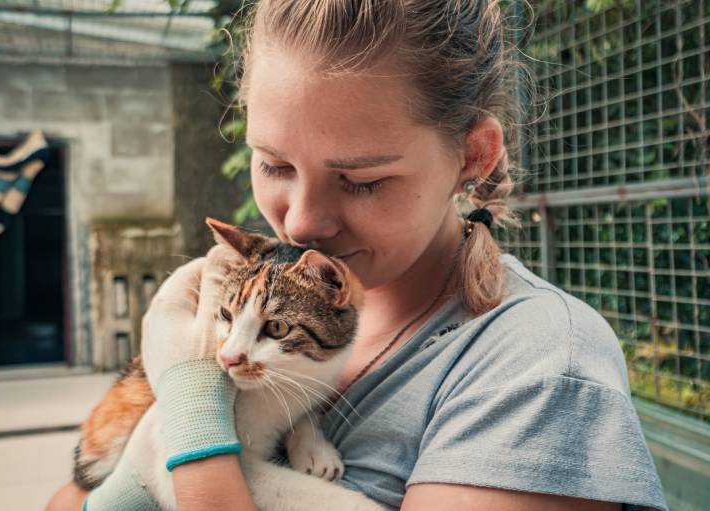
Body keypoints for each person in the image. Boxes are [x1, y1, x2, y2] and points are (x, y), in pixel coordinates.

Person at [47, 1, 667, 509]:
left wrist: (190, 408)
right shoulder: (254, 298)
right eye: (274, 164)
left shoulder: (536, 368)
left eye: (363, 180)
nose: (302, 219)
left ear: (474, 156)